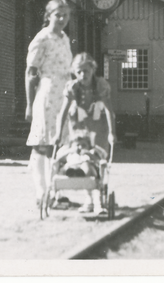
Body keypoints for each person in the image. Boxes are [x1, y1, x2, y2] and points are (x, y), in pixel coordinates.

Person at [25, 0, 73, 217]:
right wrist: (28, 103)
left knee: (62, 145)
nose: (62, 19)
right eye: (57, 14)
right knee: (42, 144)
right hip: (46, 94)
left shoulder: (65, 39)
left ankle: (58, 191)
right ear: (48, 15)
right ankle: (41, 192)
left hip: (65, 97)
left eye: (65, 14)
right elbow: (30, 73)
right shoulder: (42, 38)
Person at [52, 52, 114, 214]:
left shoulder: (100, 85)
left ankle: (97, 198)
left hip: (97, 123)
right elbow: (63, 113)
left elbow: (109, 111)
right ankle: (88, 199)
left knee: (96, 159)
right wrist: (58, 134)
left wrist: (112, 133)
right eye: (78, 71)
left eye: (86, 71)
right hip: (79, 124)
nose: (82, 75)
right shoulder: (73, 87)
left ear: (92, 70)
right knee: (79, 156)